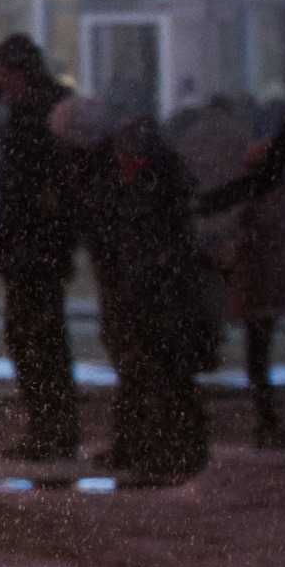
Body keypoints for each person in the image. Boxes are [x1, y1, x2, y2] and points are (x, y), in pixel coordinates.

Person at [69, 96, 211, 486]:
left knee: (163, 371)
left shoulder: (156, 179)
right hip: (135, 286)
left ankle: (172, 449)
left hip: (157, 289)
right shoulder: (130, 176)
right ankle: (138, 443)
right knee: (137, 368)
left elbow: (161, 234)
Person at [0, 34, 87, 461]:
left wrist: (37, 236)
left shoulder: (42, 114)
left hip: (36, 247)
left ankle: (53, 428)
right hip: (35, 245)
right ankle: (49, 426)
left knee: (38, 339)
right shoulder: (38, 109)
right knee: (34, 338)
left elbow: (42, 190)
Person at [193, 103, 285, 448]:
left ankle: (267, 421)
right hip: (272, 278)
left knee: (258, 351)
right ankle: (268, 422)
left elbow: (240, 214)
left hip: (261, 279)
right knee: (259, 349)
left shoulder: (263, 195)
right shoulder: (279, 193)